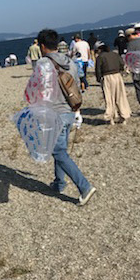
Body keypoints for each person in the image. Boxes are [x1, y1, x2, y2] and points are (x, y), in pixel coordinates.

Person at [36, 29, 96, 206]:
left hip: (54, 113)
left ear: (42, 46)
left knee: (58, 151)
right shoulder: (70, 62)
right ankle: (59, 183)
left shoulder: (42, 64)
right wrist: (77, 112)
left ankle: (84, 186)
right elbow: (77, 86)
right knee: (60, 147)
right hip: (70, 112)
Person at [94, 43, 131, 125]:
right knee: (121, 96)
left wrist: (99, 79)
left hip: (107, 77)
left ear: (99, 49)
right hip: (117, 76)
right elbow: (122, 64)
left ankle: (111, 118)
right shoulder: (115, 54)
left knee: (109, 98)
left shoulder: (100, 57)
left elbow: (98, 70)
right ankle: (124, 116)